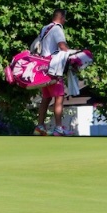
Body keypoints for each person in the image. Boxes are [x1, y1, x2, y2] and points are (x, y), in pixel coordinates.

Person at [35, 8, 71, 136]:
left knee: (46, 98)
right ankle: (58, 127)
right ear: (61, 18)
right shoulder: (57, 29)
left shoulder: (45, 28)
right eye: (64, 18)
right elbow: (62, 46)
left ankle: (40, 126)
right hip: (54, 67)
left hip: (43, 67)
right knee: (59, 97)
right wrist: (73, 55)